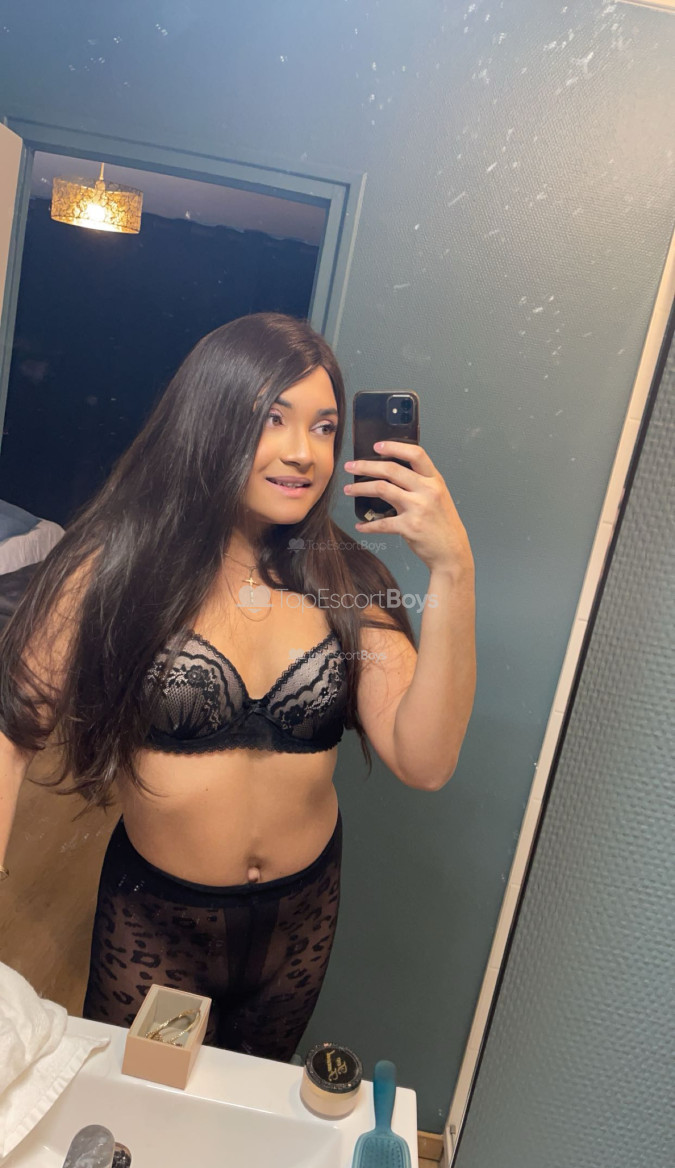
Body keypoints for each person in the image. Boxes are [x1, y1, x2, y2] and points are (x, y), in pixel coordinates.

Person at [0, 311, 476, 1061]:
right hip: (159, 921)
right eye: (271, 418)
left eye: (324, 427)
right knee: (149, 1101)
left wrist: (452, 569)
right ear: (211, 421)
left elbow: (425, 762)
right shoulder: (114, 566)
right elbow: (13, 731)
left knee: (247, 1100)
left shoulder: (349, 580)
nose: (302, 452)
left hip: (301, 916)